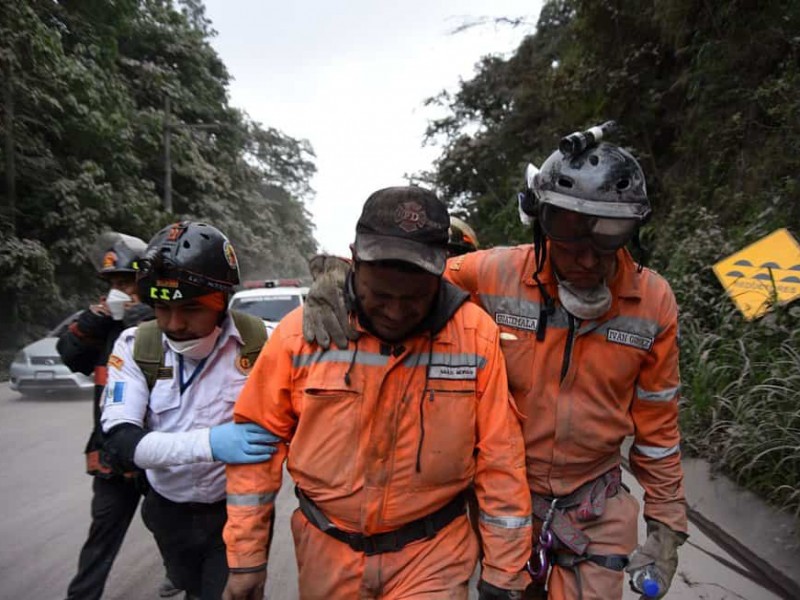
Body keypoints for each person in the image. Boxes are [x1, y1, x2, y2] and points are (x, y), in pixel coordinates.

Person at [303, 134, 688, 600]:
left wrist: (666, 523)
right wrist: (336, 276)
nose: (587, 259)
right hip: (503, 500)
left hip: (594, 506)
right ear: (541, 226)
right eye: (569, 234)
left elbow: (658, 430)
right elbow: (405, 276)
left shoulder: (652, 302)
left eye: (606, 239)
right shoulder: (494, 273)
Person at [222, 186, 532, 600]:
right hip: (326, 554)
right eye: (380, 295)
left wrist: (505, 571)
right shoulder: (301, 335)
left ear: (441, 271)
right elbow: (256, 457)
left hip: (433, 555)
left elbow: (500, 459)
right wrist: (246, 559)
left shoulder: (474, 338)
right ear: (354, 261)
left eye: (415, 298)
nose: (396, 310)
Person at [100, 221, 279, 600]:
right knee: (190, 586)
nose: (174, 324)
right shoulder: (134, 347)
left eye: (191, 308)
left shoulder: (267, 344)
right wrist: (211, 443)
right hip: (167, 513)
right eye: (162, 309)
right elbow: (120, 443)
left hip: (237, 514)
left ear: (224, 300)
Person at [57, 232, 181, 600]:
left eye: (126, 282)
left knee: (170, 525)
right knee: (102, 535)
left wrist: (140, 315)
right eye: (113, 283)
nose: (118, 290)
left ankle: (178, 572)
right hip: (113, 455)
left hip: (160, 451)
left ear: (145, 281)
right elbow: (70, 353)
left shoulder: (170, 321)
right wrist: (97, 320)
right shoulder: (103, 323)